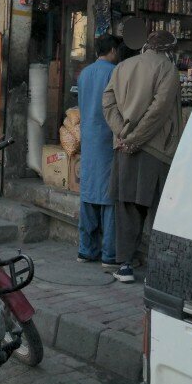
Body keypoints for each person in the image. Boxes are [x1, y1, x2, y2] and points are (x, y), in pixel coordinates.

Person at [102, 30, 182, 283]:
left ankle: (125, 266)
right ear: (169, 50)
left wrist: (123, 134)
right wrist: (135, 138)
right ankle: (156, 272)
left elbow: (107, 103)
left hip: (124, 148)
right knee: (158, 211)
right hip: (156, 150)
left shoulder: (123, 66)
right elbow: (159, 111)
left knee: (127, 209)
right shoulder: (168, 69)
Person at [76, 34, 120, 269]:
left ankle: (86, 250)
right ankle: (109, 254)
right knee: (109, 195)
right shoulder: (115, 72)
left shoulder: (84, 73)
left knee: (88, 193)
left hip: (89, 138)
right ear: (112, 50)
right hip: (107, 138)